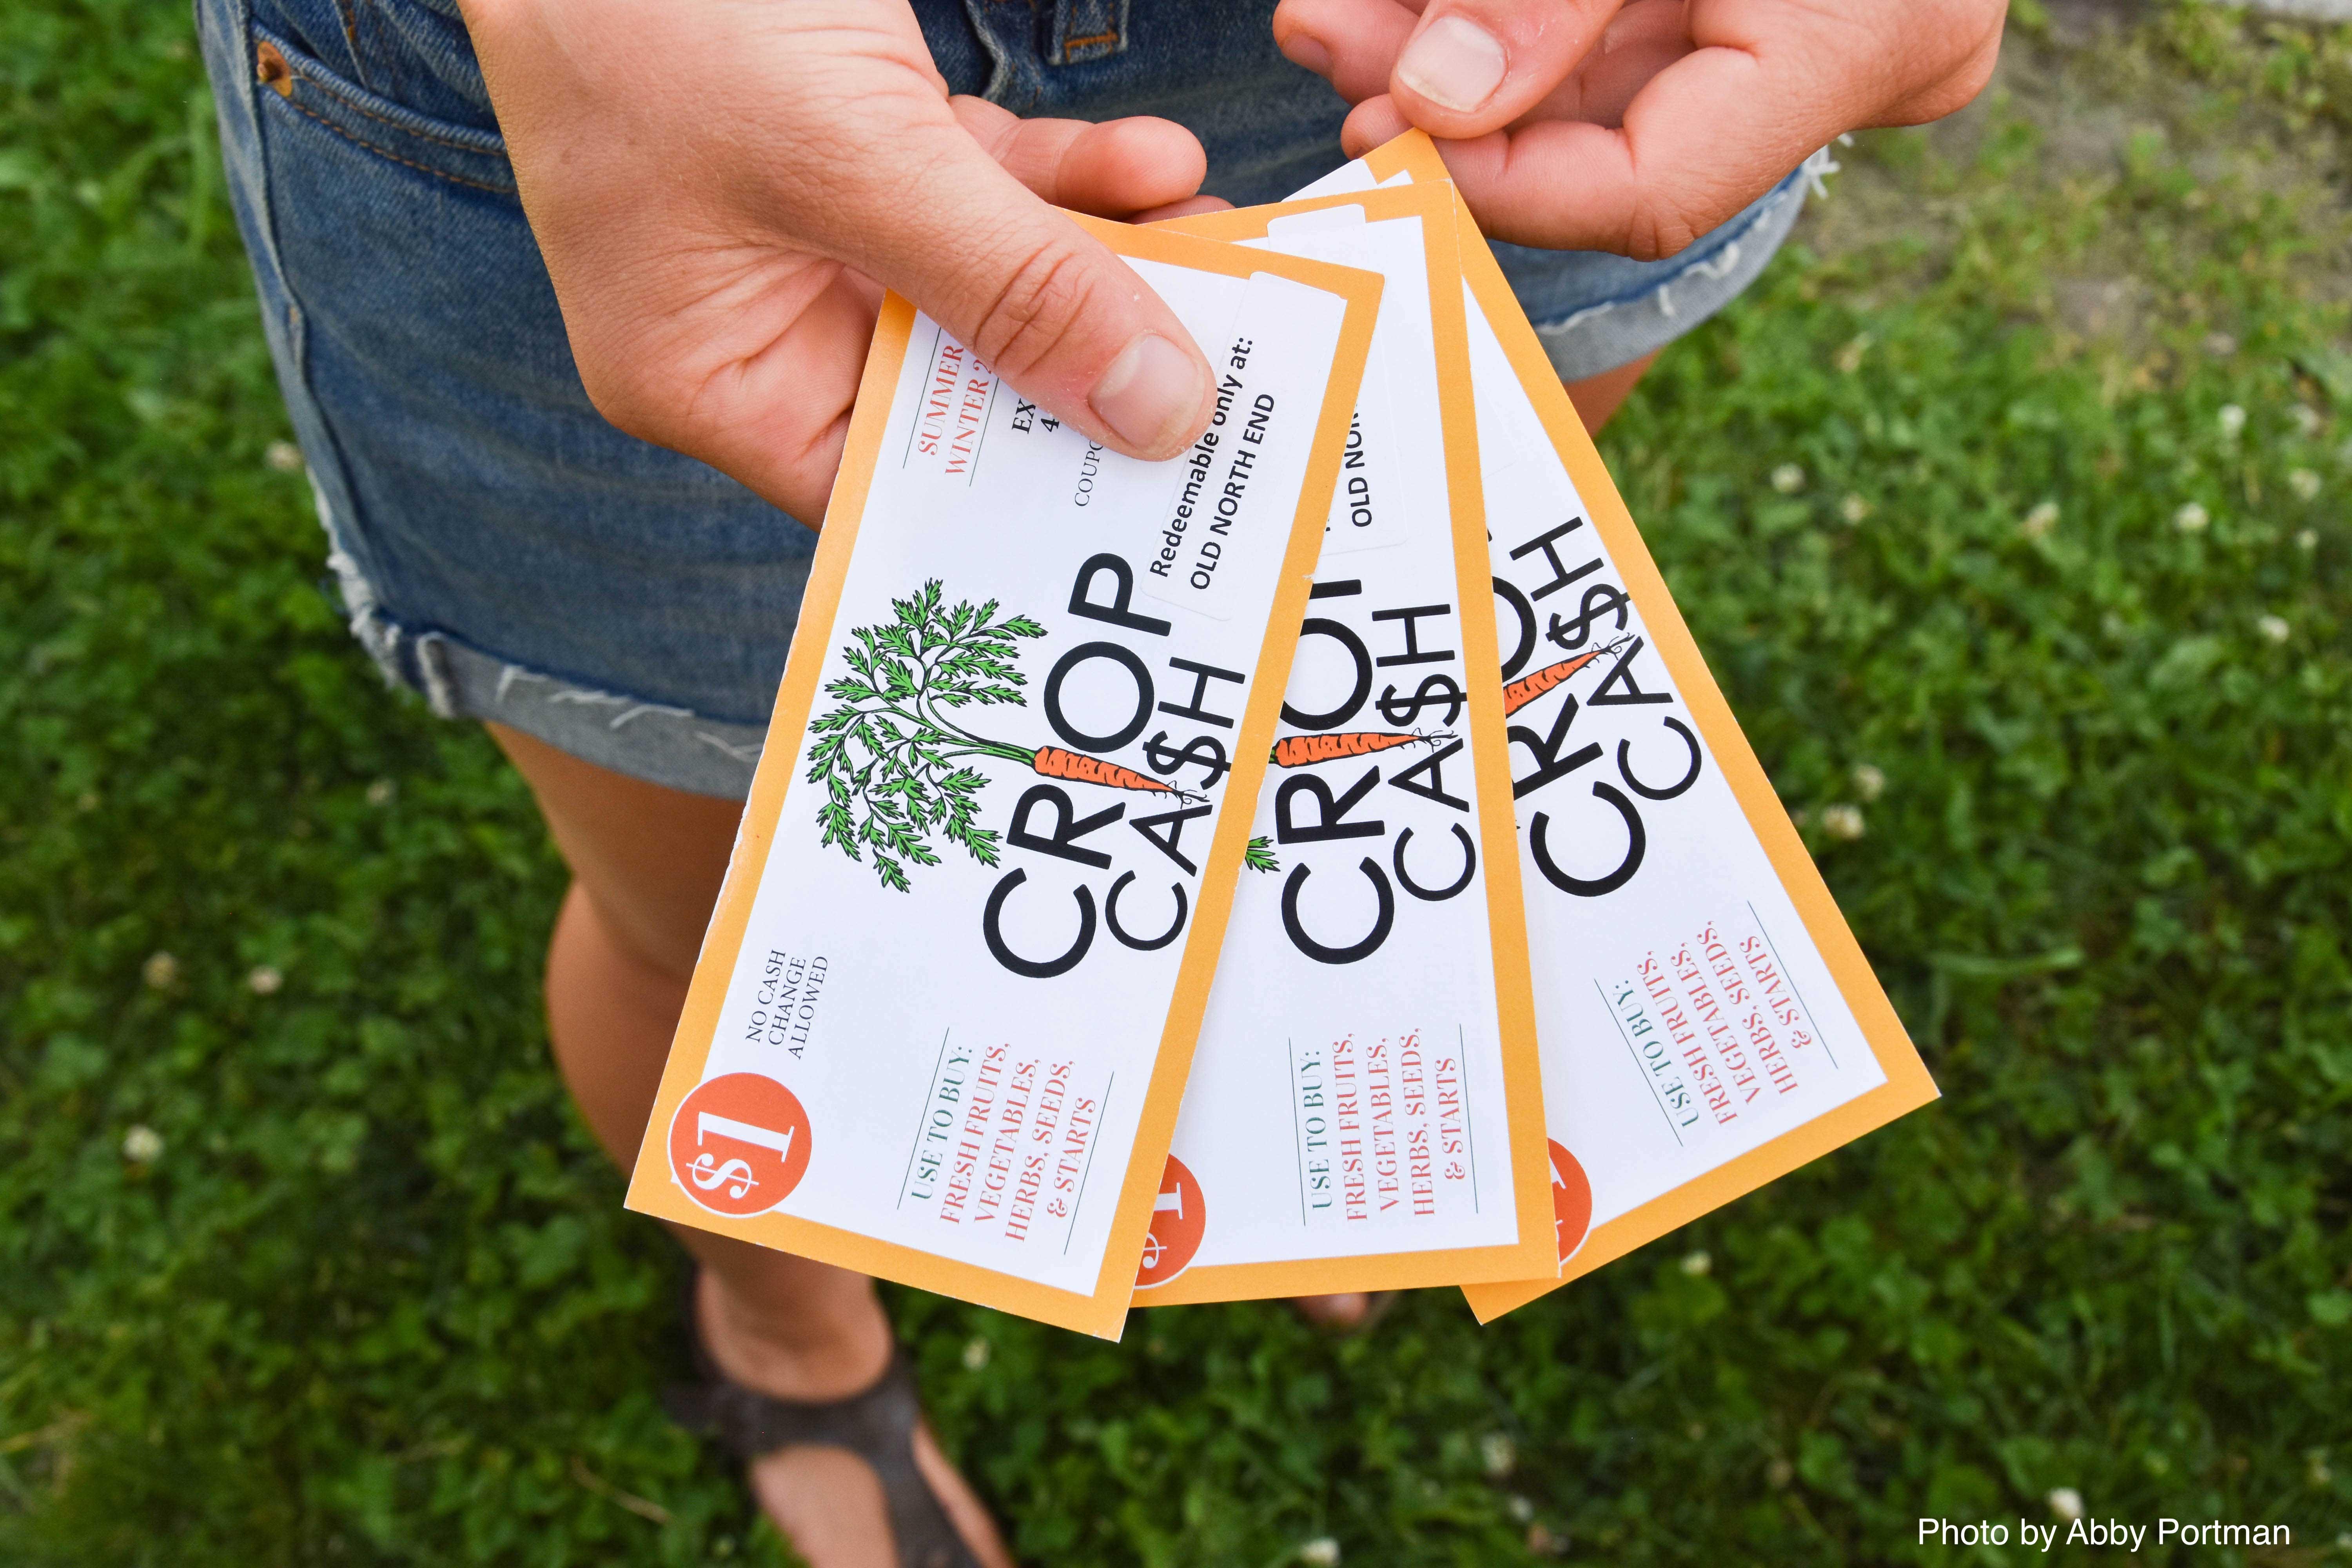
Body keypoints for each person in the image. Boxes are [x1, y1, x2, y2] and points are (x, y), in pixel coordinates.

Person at [195, 0, 2002, 1559]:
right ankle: (783, 1324)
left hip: (1430, 62)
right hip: (660, 63)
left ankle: (1284, 1113)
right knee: (720, 925)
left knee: (1357, 733)